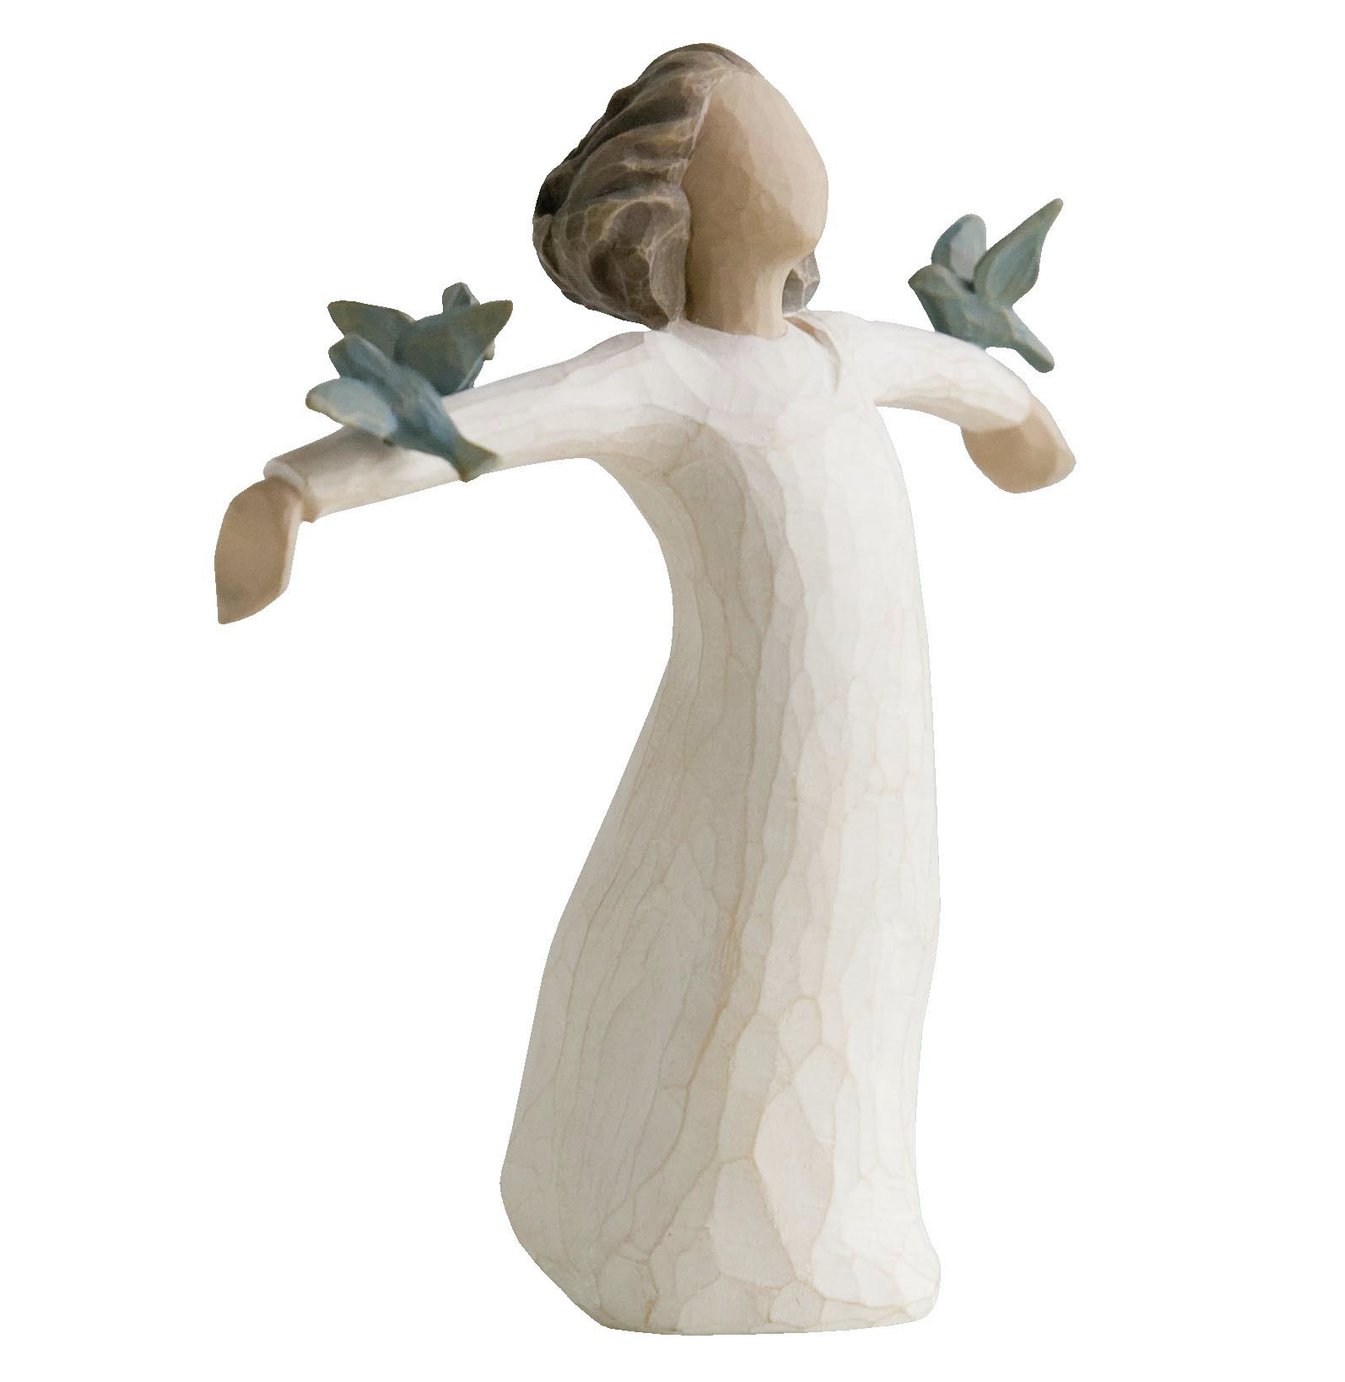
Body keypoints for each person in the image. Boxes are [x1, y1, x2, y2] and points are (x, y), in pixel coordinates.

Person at [215, 43, 1074, 1333]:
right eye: (761, 133)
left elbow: (978, 386)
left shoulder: (845, 350)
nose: (800, 152)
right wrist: (295, 493)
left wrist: (1026, 433)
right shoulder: (668, 379)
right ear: (673, 195)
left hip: (884, 748)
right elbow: (483, 430)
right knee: (741, 946)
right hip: (750, 751)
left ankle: (832, 1212)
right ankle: (670, 1223)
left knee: (864, 947)